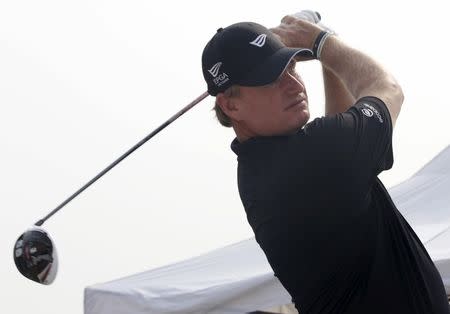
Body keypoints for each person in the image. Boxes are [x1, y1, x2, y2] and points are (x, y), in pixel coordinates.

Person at [201, 12, 450, 314]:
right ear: (230, 104)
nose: (293, 85)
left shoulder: (265, 167)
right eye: (270, 79)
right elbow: (387, 89)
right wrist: (322, 42)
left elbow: (339, 129)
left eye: (290, 66)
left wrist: (328, 62)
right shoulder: (309, 160)